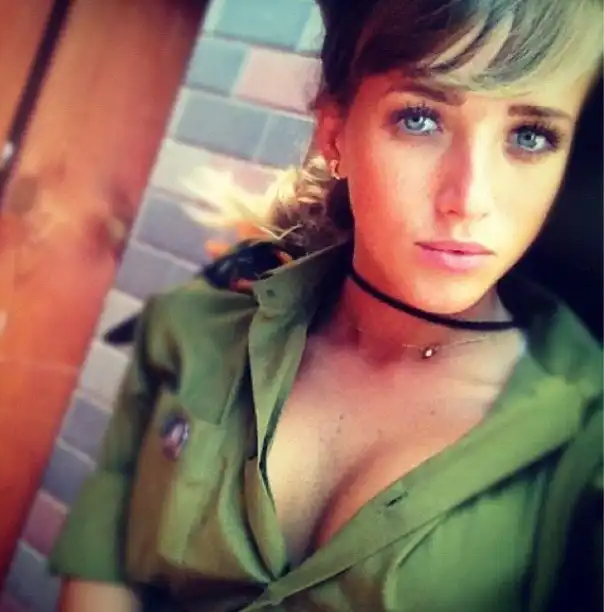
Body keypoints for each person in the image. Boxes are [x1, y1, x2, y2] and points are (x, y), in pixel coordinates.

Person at [50, 1, 603, 611]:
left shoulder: (585, 439)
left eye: (530, 136)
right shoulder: (190, 333)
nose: (469, 199)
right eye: (420, 119)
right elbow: (104, 567)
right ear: (334, 130)